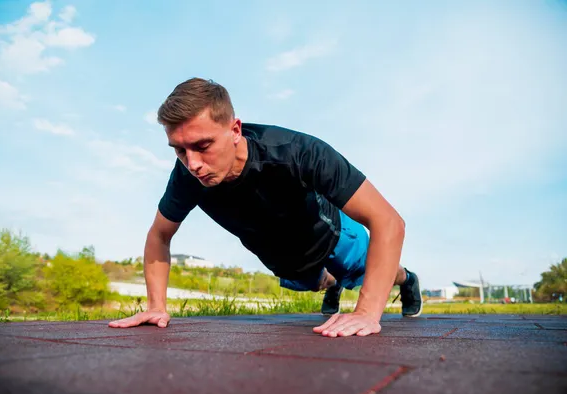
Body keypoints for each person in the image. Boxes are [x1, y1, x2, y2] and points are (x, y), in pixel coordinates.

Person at [109, 77, 422, 337]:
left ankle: (407, 279)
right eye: (179, 150)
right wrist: (156, 305)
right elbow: (159, 236)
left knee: (366, 272)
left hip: (334, 237)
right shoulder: (186, 178)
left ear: (235, 130)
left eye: (203, 146)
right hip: (286, 260)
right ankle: (331, 282)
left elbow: (388, 221)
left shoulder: (296, 151)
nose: (193, 164)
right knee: (315, 283)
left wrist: (367, 312)